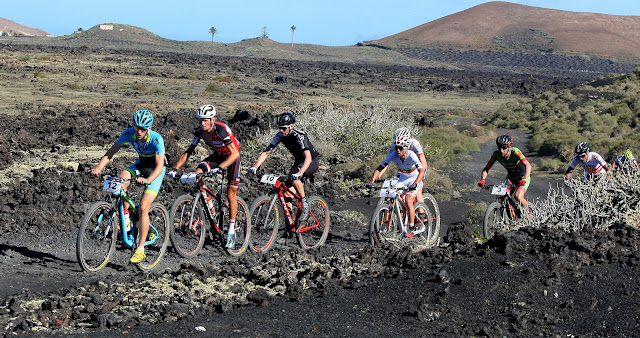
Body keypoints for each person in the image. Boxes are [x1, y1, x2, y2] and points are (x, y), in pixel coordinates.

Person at [91, 109, 166, 264]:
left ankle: (140, 249)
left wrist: (148, 180)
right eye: (136, 127)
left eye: (142, 129)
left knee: (144, 208)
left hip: (155, 171)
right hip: (140, 164)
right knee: (121, 181)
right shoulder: (128, 133)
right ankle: (126, 220)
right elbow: (111, 152)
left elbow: (160, 166)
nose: (138, 132)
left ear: (149, 128)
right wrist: (99, 167)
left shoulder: (157, 139)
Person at [167, 104, 241, 248]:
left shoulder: (220, 130)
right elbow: (189, 151)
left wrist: (220, 168)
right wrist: (175, 169)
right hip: (218, 156)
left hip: (232, 157)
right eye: (200, 120)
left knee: (231, 194)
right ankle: (210, 208)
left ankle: (231, 231)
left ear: (213, 119)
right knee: (198, 172)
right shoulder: (200, 132)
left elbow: (235, 153)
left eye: (205, 120)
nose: (202, 123)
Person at [249, 112, 320, 221]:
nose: (281, 131)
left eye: (283, 128)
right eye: (279, 128)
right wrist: (255, 166)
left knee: (294, 177)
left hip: (311, 161)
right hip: (299, 161)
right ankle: (289, 225)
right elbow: (266, 152)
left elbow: (308, 158)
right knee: (287, 194)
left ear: (291, 126)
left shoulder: (300, 136)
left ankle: (305, 203)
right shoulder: (280, 136)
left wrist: (300, 173)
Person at [368, 135, 426, 238]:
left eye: (401, 148)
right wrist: (372, 181)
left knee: (409, 199)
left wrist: (416, 183)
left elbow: (421, 170)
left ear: (406, 148)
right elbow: (380, 167)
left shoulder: (412, 155)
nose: (398, 150)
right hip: (403, 177)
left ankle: (411, 227)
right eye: (396, 147)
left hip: (415, 177)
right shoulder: (394, 154)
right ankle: (398, 217)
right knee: (392, 194)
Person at [478, 134, 532, 209]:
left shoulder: (515, 152)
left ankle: (530, 215)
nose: (501, 150)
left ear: (509, 147)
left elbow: (528, 166)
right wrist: (483, 179)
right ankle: (510, 215)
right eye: (499, 147)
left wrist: (525, 179)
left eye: (504, 148)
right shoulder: (496, 154)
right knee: (502, 196)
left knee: (518, 196)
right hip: (511, 177)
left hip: (522, 177)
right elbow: (487, 168)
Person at [379, 127, 428, 204]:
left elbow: (422, 158)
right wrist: (379, 175)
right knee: (394, 188)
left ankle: (422, 214)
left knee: (418, 193)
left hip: (417, 168)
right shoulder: (394, 146)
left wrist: (421, 174)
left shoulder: (414, 143)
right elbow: (386, 163)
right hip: (404, 169)